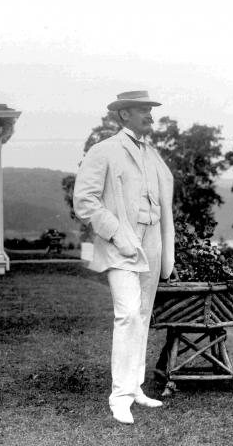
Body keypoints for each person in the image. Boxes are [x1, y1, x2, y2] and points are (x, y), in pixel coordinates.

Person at [73, 91, 176, 424]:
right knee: (128, 313)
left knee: (143, 314)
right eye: (142, 110)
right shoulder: (103, 151)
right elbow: (85, 201)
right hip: (120, 245)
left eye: (150, 110)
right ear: (123, 116)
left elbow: (162, 203)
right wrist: (117, 232)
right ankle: (118, 397)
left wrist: (164, 246)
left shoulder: (153, 155)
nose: (150, 115)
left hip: (152, 244)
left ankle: (135, 388)